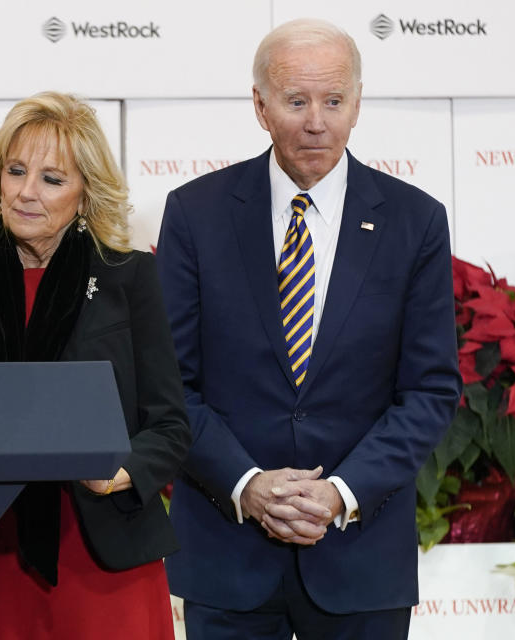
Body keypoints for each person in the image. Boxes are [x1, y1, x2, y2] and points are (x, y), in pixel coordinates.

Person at [156, 19, 462, 640]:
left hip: (362, 560)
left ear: (357, 105)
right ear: (261, 106)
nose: (316, 121)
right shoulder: (195, 214)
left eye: (333, 101)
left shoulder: (415, 222)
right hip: (228, 557)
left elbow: (430, 391)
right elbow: (170, 385)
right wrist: (247, 485)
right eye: (296, 101)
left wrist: (342, 492)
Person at [0, 91, 191, 639]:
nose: (25, 192)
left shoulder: (127, 278)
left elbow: (170, 423)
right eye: (15, 171)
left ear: (86, 193)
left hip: (101, 553)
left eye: (51, 179)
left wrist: (123, 472)